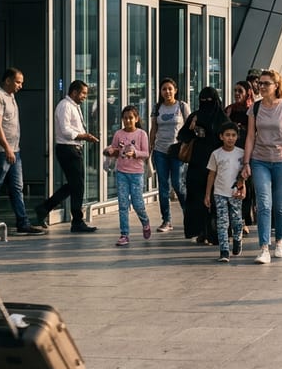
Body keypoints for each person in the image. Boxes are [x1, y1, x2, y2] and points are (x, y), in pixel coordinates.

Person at [242, 70, 282, 262]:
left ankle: (280, 242)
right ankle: (264, 247)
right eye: (260, 83)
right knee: (264, 204)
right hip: (260, 160)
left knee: (280, 204)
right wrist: (246, 162)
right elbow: (250, 136)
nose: (262, 86)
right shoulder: (255, 108)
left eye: (266, 83)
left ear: (276, 85)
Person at [36, 80, 99, 232]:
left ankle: (45, 208)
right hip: (68, 148)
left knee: (75, 185)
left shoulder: (73, 106)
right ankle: (76, 220)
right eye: (83, 93)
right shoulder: (65, 106)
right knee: (77, 185)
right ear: (74, 92)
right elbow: (65, 130)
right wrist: (84, 136)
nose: (85, 96)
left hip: (74, 149)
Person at [0, 68, 43, 235]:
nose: (20, 86)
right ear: (7, 80)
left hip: (15, 150)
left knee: (17, 187)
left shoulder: (11, 96)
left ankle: (23, 222)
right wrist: (6, 148)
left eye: (22, 83)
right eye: (18, 82)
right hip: (3, 151)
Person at [178, 87, 230, 246]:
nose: (206, 103)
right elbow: (182, 136)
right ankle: (200, 231)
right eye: (203, 100)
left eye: (209, 100)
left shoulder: (221, 118)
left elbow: (229, 137)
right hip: (198, 164)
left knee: (215, 200)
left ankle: (214, 232)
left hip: (217, 165)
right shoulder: (195, 116)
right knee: (197, 198)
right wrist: (192, 129)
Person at [149, 78, 190, 234]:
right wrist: (150, 147)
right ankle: (166, 220)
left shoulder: (181, 106)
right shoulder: (157, 107)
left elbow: (190, 126)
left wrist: (187, 144)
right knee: (163, 187)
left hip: (177, 151)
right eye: (164, 89)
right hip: (160, 151)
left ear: (175, 90)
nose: (167, 92)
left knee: (178, 184)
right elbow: (154, 129)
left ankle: (188, 216)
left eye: (170, 89)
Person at [106, 105, 151, 247]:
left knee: (137, 203)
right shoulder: (118, 134)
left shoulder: (141, 134)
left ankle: (145, 222)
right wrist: (110, 151)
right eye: (125, 118)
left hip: (136, 174)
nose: (128, 121)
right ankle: (124, 234)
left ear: (136, 119)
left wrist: (135, 153)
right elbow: (114, 149)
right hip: (121, 173)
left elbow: (146, 153)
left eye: (131, 118)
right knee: (123, 204)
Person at [205, 122, 246, 262]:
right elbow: (211, 174)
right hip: (219, 192)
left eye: (233, 135)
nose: (230, 138)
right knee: (222, 222)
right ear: (221, 137)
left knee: (236, 220)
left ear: (237, 137)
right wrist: (207, 194)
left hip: (236, 193)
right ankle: (224, 250)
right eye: (227, 135)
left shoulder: (241, 154)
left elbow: (245, 174)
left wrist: (243, 185)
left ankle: (237, 240)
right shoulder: (216, 154)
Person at [225, 80, 256, 232]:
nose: (237, 94)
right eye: (235, 91)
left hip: (248, 154)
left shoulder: (253, 110)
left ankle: (243, 220)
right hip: (231, 154)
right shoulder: (230, 110)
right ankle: (233, 220)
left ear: (247, 93)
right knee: (232, 188)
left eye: (240, 91)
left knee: (246, 190)